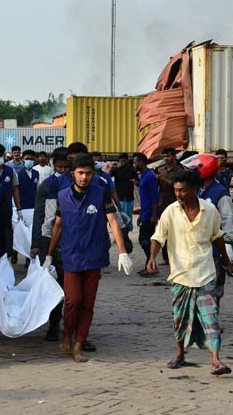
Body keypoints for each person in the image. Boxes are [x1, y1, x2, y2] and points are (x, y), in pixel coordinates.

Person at [45, 153, 133, 363]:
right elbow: (57, 225)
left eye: (89, 173)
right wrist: (48, 255)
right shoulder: (63, 195)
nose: (85, 177)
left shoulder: (100, 193)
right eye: (81, 173)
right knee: (73, 300)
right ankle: (67, 334)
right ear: (73, 173)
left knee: (88, 302)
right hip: (71, 255)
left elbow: (113, 221)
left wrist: (122, 251)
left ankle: (78, 344)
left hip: (94, 255)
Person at [147, 169, 233, 376]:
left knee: (210, 318)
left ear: (194, 189)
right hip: (180, 275)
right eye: (176, 190)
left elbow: (217, 237)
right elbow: (158, 237)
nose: (178, 194)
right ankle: (180, 353)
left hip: (205, 273)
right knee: (180, 318)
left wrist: (227, 262)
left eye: (183, 190)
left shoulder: (210, 210)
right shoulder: (170, 211)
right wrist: (152, 258)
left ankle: (215, 360)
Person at [187, 153, 233, 308]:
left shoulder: (220, 193)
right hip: (197, 248)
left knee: (213, 288)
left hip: (215, 250)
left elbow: (227, 221)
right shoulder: (196, 190)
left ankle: (212, 319)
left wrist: (229, 248)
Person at [31, 147, 70, 342]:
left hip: (71, 239)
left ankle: (63, 322)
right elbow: (39, 215)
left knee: (68, 285)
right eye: (60, 166)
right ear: (54, 164)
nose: (63, 170)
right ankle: (53, 324)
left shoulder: (76, 182)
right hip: (49, 240)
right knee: (54, 284)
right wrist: (36, 244)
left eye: (66, 167)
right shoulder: (47, 185)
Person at [0, 143, 22, 262]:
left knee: (7, 233)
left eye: (0, 155)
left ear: (4, 155)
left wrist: (19, 209)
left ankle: (8, 255)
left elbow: (15, 190)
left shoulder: (10, 170)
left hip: (7, 209)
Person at [133, 152, 159, 276]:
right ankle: (150, 265)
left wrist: (154, 215)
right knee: (145, 239)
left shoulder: (150, 176)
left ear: (142, 162)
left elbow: (154, 197)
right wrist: (140, 215)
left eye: (136, 161)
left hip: (150, 214)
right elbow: (144, 198)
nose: (135, 164)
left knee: (144, 240)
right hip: (145, 212)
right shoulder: (143, 176)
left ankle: (151, 264)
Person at [156, 148, 183, 266]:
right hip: (162, 204)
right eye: (164, 157)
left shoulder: (179, 171)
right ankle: (166, 257)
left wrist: (163, 179)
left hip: (176, 204)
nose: (166, 159)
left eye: (168, 156)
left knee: (178, 231)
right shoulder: (161, 170)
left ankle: (178, 256)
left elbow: (178, 185)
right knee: (164, 232)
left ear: (174, 157)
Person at [111, 153, 139, 232]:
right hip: (119, 199)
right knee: (120, 218)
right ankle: (121, 234)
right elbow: (108, 176)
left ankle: (126, 234)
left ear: (127, 160)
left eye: (124, 161)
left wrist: (135, 182)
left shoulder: (132, 170)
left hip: (129, 198)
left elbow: (137, 181)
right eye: (121, 161)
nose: (122, 163)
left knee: (128, 218)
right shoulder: (116, 170)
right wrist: (112, 168)